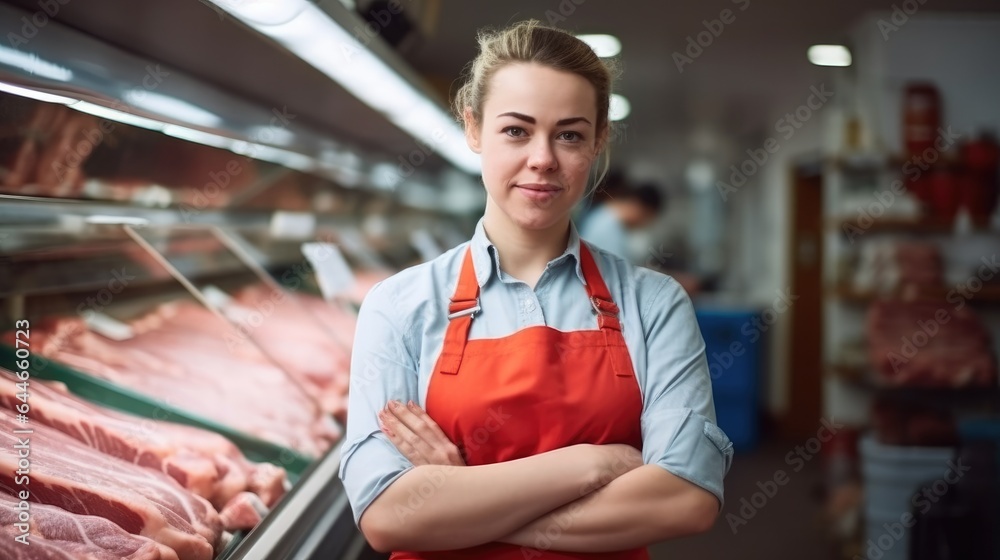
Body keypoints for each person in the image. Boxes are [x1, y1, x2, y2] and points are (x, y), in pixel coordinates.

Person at [338, 19, 733, 559]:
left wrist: (463, 497)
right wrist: (591, 464)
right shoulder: (400, 306)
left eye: (569, 134)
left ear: (598, 142)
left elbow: (685, 500)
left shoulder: (655, 304)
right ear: (473, 128)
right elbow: (387, 516)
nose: (543, 158)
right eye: (516, 130)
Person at [577, 182, 665, 258]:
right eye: (647, 219)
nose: (644, 224)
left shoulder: (605, 214)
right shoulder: (608, 226)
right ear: (641, 209)